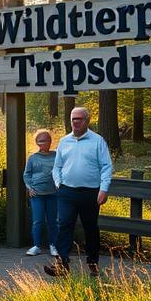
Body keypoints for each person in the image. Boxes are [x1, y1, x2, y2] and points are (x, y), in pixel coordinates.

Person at [44, 107, 113, 278]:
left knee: (90, 228)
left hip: (91, 192)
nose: (75, 122)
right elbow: (57, 167)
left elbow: (106, 166)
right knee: (64, 225)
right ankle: (62, 264)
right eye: (73, 118)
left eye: (79, 119)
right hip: (67, 192)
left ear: (87, 121)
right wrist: (59, 184)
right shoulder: (64, 141)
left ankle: (93, 264)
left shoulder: (97, 141)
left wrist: (104, 189)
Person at [23, 129, 59, 257]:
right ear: (36, 143)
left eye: (46, 140)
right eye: (40, 141)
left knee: (53, 221)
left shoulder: (56, 155)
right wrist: (29, 188)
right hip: (37, 194)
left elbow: (61, 171)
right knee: (37, 221)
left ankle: (53, 245)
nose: (43, 143)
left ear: (50, 141)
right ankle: (36, 246)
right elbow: (26, 175)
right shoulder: (32, 158)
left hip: (53, 194)